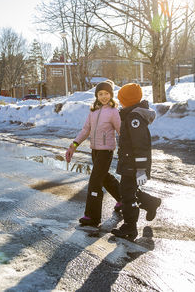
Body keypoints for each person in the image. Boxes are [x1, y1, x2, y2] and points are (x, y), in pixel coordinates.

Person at [65, 80, 122, 227]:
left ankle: (93, 216)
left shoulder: (113, 111)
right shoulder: (93, 111)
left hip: (106, 151)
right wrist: (74, 145)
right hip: (95, 150)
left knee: (95, 181)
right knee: (104, 178)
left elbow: (121, 131)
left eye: (107, 93)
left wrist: (127, 148)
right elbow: (85, 130)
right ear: (96, 95)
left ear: (111, 95)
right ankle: (123, 200)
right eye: (100, 93)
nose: (104, 96)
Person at [111, 83, 162, 241]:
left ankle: (130, 227)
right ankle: (150, 202)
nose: (119, 103)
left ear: (128, 100)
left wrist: (140, 169)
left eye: (122, 100)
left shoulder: (134, 118)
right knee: (127, 191)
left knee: (127, 194)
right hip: (129, 163)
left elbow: (140, 145)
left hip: (134, 165)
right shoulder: (129, 114)